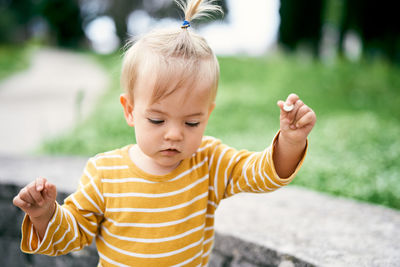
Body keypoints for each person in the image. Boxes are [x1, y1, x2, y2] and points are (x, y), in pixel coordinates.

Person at [13, 0, 316, 266]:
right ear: (130, 110)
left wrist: (290, 141)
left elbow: (260, 173)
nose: (174, 134)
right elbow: (72, 235)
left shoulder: (208, 163)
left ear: (207, 115)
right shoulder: (105, 174)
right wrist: (45, 214)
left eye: (192, 123)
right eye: (157, 120)